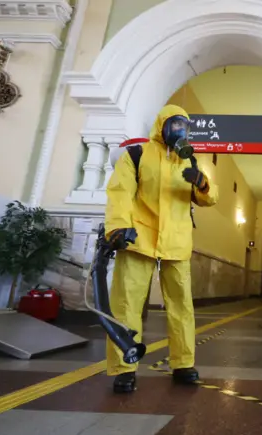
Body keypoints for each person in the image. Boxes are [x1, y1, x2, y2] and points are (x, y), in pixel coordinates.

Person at [105, 104, 219, 393]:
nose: (180, 131)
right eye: (175, 125)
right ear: (162, 126)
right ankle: (124, 367)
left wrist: (202, 183)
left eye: (185, 126)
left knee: (181, 306)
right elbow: (120, 193)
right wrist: (117, 227)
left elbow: (210, 199)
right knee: (126, 304)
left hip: (177, 242)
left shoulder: (189, 162)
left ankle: (183, 364)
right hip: (139, 239)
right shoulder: (137, 154)